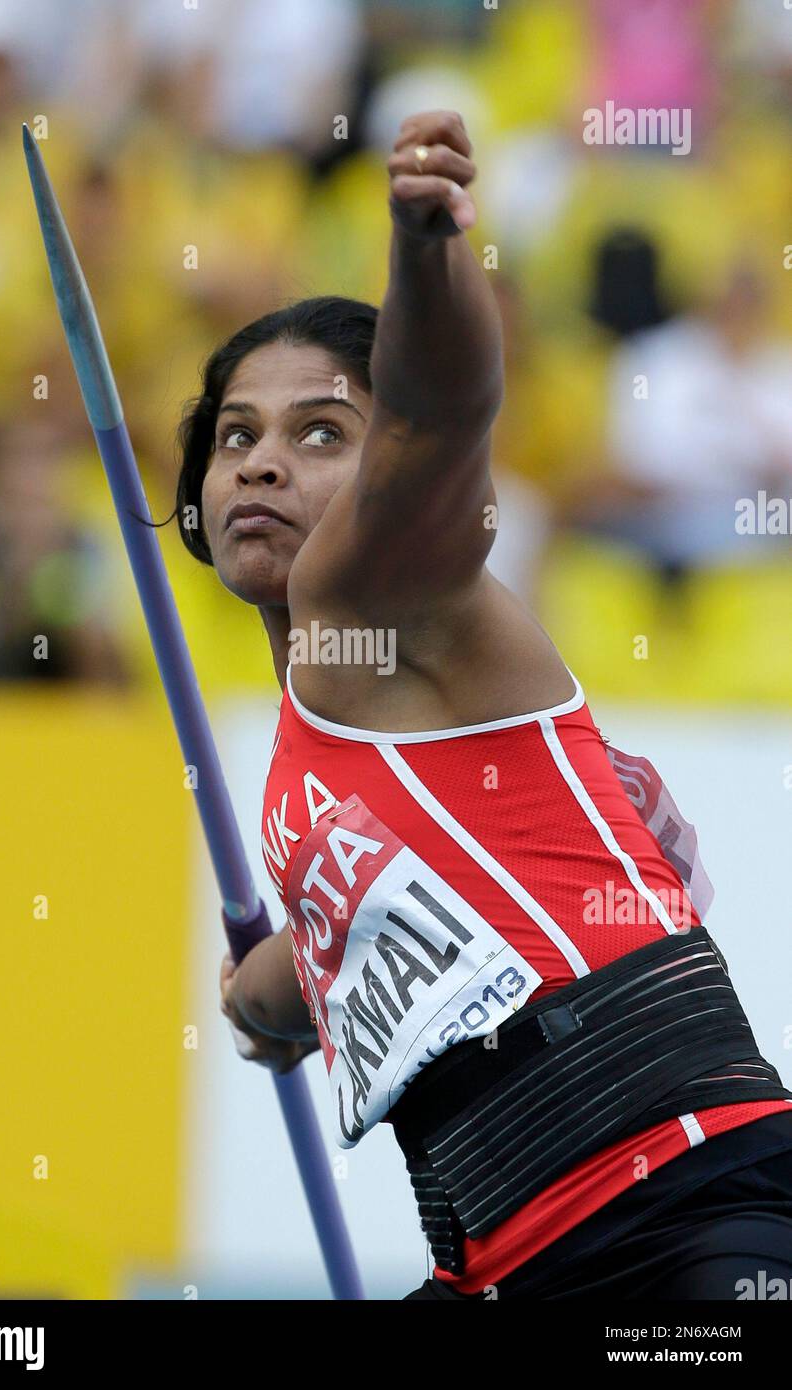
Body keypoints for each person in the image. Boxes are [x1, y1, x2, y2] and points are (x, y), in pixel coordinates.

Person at [175, 110, 792, 1299]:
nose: (258, 462)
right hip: (504, 1259)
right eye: (236, 437)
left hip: (676, 1204)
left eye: (320, 433)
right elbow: (365, 959)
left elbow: (442, 409)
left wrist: (422, 246)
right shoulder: (330, 720)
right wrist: (268, 994)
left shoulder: (370, 587)